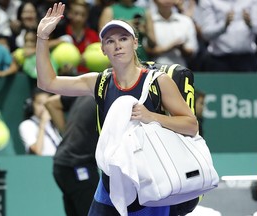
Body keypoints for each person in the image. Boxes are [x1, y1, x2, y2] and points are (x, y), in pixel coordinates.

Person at [35, 2, 198, 215]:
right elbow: (47, 82)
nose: (117, 45)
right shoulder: (98, 82)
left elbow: (191, 125)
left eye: (123, 39)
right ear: (103, 49)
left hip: (149, 184)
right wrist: (42, 38)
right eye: (110, 41)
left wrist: (152, 117)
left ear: (135, 43)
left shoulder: (159, 81)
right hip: (110, 184)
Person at [45, 94, 100, 216]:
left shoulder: (88, 89)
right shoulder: (112, 96)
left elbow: (51, 103)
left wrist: (68, 135)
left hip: (61, 165)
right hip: (78, 166)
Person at [198, 0, 257, 72]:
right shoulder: (208, 1)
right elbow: (206, 34)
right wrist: (223, 26)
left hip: (246, 60)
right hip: (218, 61)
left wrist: (251, 24)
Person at [19, 87, 62, 156]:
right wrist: (42, 123)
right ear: (32, 104)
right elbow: (37, 151)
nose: (43, 108)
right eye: (39, 103)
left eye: (46, 104)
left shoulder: (52, 124)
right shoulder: (26, 125)